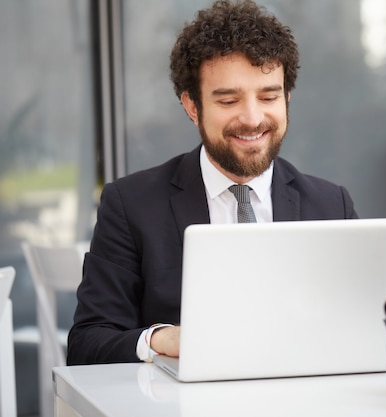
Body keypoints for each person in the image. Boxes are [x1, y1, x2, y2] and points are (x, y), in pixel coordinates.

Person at [67, 0, 357, 365]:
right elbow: (87, 343)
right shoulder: (131, 204)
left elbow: (359, 329)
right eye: (229, 100)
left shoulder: (333, 206)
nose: (252, 119)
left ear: (286, 98)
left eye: (268, 96)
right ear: (192, 107)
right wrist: (162, 339)